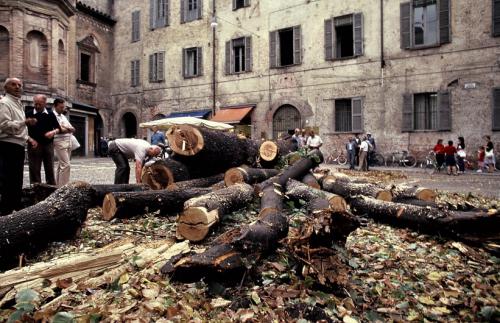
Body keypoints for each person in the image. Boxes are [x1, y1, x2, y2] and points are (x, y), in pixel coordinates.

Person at [0, 78, 37, 215]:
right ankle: (5, 210)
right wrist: (24, 122)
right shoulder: (4, 103)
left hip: (18, 145)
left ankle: (15, 205)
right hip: (8, 145)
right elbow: (4, 125)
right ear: (6, 88)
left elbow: (19, 126)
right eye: (13, 84)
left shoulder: (17, 103)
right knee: (8, 179)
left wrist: (28, 138)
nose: (17, 87)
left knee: (17, 178)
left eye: (20, 85)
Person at [26, 94, 61, 185]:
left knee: (49, 168)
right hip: (34, 145)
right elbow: (23, 130)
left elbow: (58, 128)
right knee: (34, 169)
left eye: (40, 104)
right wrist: (30, 139)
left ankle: (50, 189)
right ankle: (35, 189)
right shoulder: (28, 113)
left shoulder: (50, 114)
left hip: (48, 145)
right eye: (35, 104)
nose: (37, 106)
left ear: (45, 103)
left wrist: (52, 132)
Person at [52, 98, 75, 186]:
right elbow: (59, 130)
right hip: (59, 141)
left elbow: (73, 129)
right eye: (61, 107)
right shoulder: (52, 115)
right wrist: (67, 129)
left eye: (63, 107)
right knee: (66, 165)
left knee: (61, 165)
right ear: (55, 106)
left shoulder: (63, 116)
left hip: (68, 141)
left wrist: (66, 128)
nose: (63, 109)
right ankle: (63, 186)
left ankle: (58, 185)